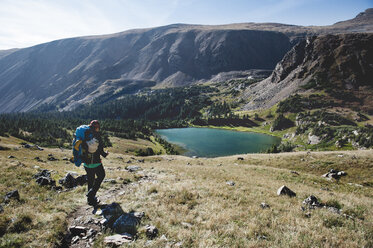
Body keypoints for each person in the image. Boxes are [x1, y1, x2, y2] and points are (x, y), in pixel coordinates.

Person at [82, 120, 108, 206]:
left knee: (90, 179)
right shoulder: (97, 136)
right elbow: (100, 150)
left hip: (86, 163)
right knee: (101, 175)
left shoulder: (85, 135)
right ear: (96, 127)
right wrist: (105, 154)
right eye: (98, 127)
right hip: (96, 162)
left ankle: (90, 200)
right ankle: (91, 193)